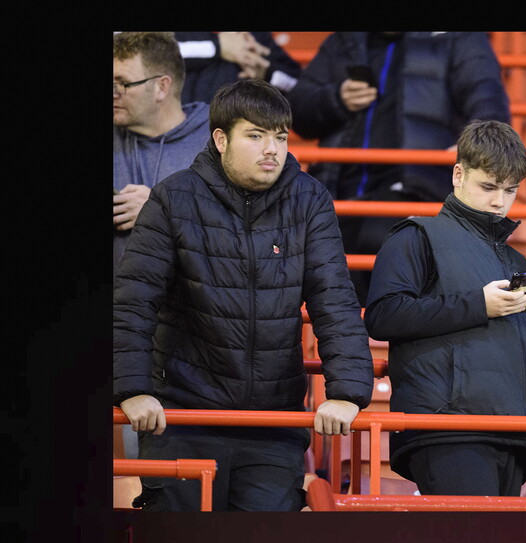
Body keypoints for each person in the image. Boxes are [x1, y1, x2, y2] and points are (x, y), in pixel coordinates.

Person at [113, 79, 374, 511]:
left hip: (273, 423)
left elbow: (334, 299)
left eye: (280, 136)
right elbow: (134, 300)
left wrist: (347, 392)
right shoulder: (173, 198)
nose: (271, 148)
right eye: (256, 136)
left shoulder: (310, 199)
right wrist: (132, 389)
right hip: (183, 419)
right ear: (220, 139)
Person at [363, 120, 526, 496]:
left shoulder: (519, 260)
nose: (499, 201)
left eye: (510, 190)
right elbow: (383, 314)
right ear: (458, 174)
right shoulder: (416, 235)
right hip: (449, 429)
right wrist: (477, 305)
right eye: (488, 187)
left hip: (515, 435)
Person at [286, 32, 512, 303]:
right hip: (336, 193)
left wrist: (476, 147)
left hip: (418, 188)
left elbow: (487, 100)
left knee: (376, 247)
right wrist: (335, 98)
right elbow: (297, 109)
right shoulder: (345, 40)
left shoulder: (458, 38)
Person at [114, 31, 211, 278]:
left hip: (194, 309)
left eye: (122, 83)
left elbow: (250, 228)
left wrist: (161, 211)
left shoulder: (220, 140)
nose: (113, 93)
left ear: (161, 87)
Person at [175, 32, 302, 104]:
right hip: (176, 137)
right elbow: (158, 53)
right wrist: (217, 47)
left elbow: (298, 86)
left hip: (238, 137)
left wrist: (266, 73)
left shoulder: (249, 37)